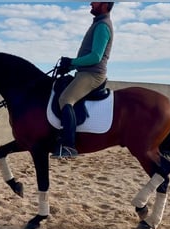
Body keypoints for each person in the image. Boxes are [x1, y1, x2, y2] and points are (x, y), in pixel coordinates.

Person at [51, 2, 114, 158]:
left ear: (105, 4)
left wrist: (72, 62)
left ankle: (69, 146)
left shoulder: (102, 26)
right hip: (84, 72)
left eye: (95, 1)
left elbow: (95, 57)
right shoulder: (98, 23)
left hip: (93, 75)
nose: (91, 3)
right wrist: (69, 67)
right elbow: (86, 57)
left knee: (65, 99)